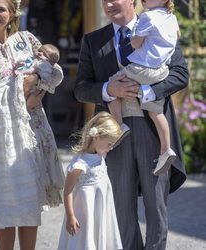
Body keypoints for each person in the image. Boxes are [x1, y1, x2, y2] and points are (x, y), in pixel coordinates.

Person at [74, 0, 189, 249]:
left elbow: (180, 74)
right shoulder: (93, 40)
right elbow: (81, 88)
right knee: (121, 207)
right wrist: (108, 89)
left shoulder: (159, 25)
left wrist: (146, 91)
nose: (109, 3)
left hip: (153, 134)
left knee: (156, 206)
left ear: (133, 1)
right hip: (114, 134)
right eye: (104, 0)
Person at [0, 0, 64, 249]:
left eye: (1, 9)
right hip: (0, 133)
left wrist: (34, 91)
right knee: (6, 201)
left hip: (32, 129)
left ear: (12, 14)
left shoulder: (27, 40)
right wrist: (17, 90)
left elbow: (51, 72)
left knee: (29, 199)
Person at [108, 0, 179, 176]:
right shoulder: (171, 17)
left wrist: (136, 37)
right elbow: (176, 36)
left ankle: (119, 124)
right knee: (156, 112)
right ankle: (166, 149)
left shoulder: (147, 16)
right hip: (160, 71)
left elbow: (136, 43)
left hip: (141, 67)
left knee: (112, 86)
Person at [58, 111, 123, 250]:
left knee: (99, 235)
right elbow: (68, 189)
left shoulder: (101, 156)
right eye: (110, 144)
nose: (111, 148)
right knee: (85, 239)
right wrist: (70, 216)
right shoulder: (80, 163)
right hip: (84, 213)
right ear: (97, 137)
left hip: (100, 209)